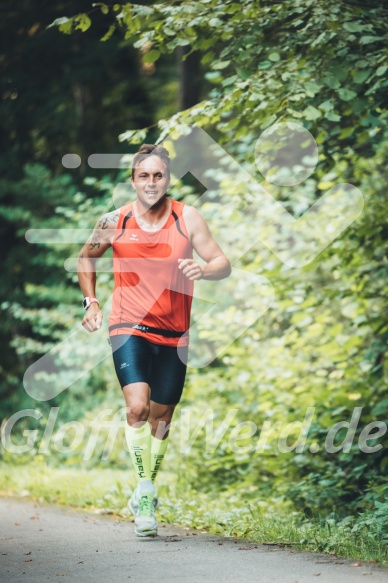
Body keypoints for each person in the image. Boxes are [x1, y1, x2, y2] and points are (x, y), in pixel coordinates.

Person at [77, 144, 231, 537]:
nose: (151, 182)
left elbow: (221, 263)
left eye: (158, 175)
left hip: (175, 333)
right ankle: (146, 492)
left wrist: (204, 269)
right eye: (143, 176)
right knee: (138, 407)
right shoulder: (114, 220)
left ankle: (145, 484)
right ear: (133, 181)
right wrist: (91, 301)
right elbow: (86, 258)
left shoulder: (188, 218)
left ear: (168, 179)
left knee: (162, 419)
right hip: (128, 324)